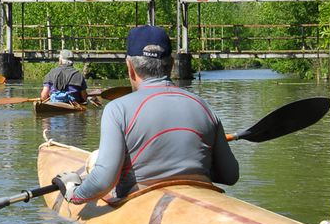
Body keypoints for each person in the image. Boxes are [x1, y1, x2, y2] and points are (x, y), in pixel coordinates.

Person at [52, 25, 239, 205]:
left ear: (129, 67)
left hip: (140, 202)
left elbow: (103, 181)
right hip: (201, 198)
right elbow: (230, 175)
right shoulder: (203, 106)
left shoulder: (117, 110)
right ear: (171, 64)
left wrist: (74, 193)